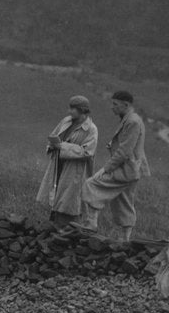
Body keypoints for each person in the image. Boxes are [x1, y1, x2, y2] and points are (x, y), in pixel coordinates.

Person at [76, 91, 150, 241]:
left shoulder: (132, 122)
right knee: (124, 201)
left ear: (126, 105)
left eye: (115, 104)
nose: (112, 107)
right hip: (132, 169)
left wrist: (105, 169)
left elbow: (124, 151)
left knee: (91, 184)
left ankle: (91, 224)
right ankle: (125, 240)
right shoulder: (131, 119)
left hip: (126, 169)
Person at [35, 95, 98, 227]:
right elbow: (54, 135)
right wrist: (52, 145)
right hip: (59, 165)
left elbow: (87, 151)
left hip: (75, 170)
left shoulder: (91, 129)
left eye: (73, 109)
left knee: (70, 199)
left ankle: (70, 228)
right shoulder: (66, 121)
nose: (69, 111)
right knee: (57, 194)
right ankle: (56, 225)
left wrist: (62, 146)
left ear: (82, 110)